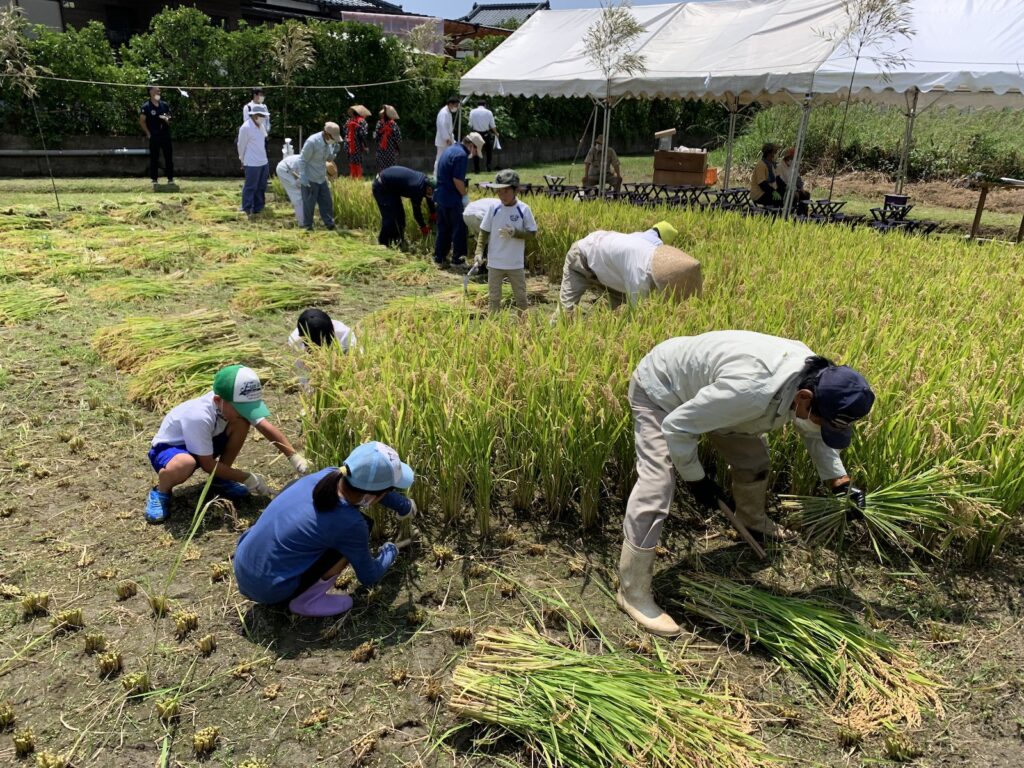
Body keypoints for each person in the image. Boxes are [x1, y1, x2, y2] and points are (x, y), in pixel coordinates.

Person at [617, 332, 875, 636]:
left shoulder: (818, 380)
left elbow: (816, 430)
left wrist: (840, 484)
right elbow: (677, 426)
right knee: (657, 485)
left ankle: (751, 522)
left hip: (716, 399)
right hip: (662, 392)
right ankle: (632, 592)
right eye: (821, 420)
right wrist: (696, 479)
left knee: (753, 459)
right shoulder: (751, 391)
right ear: (804, 399)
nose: (819, 427)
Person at [232, 442, 415, 618]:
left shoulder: (327, 476)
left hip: (243, 565)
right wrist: (391, 550)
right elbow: (369, 576)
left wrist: (403, 505)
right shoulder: (351, 523)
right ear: (375, 495)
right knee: (358, 530)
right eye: (390, 490)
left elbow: (370, 490)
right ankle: (308, 599)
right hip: (268, 590)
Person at [145, 365, 310, 524]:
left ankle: (220, 480)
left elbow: (265, 427)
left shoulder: (233, 404)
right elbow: (207, 465)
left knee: (242, 422)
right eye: (242, 408)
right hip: (171, 450)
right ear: (218, 400)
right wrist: (246, 478)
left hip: (205, 444)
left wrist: (294, 457)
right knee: (185, 463)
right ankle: (161, 492)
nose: (246, 412)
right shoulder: (198, 416)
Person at [557, 227, 701, 315]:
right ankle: (551, 338)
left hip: (609, 269)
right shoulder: (639, 276)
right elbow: (636, 313)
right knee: (565, 310)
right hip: (582, 259)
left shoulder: (648, 247)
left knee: (618, 313)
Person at [474, 170, 537, 313]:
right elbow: (484, 232)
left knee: (520, 297)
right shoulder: (494, 208)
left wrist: (516, 233)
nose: (502, 195)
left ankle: (524, 325)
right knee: (494, 298)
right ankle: (493, 325)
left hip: (515, 263)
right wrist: (478, 252)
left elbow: (532, 233)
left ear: (516, 190)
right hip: (495, 262)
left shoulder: (523, 209)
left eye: (506, 191)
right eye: (499, 192)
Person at [433, 132, 484, 267]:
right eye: (475, 150)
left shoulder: (450, 149)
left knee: (443, 228)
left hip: (441, 195)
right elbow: (457, 180)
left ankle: (439, 257)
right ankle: (458, 259)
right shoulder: (461, 155)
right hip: (452, 197)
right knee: (459, 228)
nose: (473, 154)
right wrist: (464, 196)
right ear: (472, 146)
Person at [287, 308, 356, 391]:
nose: (320, 351)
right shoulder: (295, 342)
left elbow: (356, 363)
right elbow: (303, 375)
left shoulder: (345, 335)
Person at [371, 165, 436, 248]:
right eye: (432, 192)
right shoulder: (417, 188)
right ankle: (383, 244)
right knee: (390, 218)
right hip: (382, 186)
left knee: (400, 217)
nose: (433, 195)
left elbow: (429, 198)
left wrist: (433, 212)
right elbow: (417, 212)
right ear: (429, 188)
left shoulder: (426, 181)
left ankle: (398, 241)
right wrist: (423, 227)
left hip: (392, 188)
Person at [300, 122, 341, 231]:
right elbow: (302, 160)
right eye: (333, 138)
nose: (334, 140)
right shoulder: (312, 142)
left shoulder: (328, 143)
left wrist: (334, 153)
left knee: (326, 201)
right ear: (326, 134)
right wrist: (303, 175)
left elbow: (328, 158)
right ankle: (308, 226)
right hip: (310, 178)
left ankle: (329, 224)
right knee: (309, 204)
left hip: (321, 177)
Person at [276, 155, 337, 226]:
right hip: (285, 169)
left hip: (293, 169)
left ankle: (306, 220)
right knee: (298, 196)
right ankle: (303, 223)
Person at [237, 104, 270, 216]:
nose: (263, 118)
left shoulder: (261, 126)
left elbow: (263, 141)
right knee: (251, 186)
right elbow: (241, 145)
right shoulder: (245, 127)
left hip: (263, 161)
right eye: (261, 115)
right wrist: (242, 159)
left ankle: (258, 207)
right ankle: (246, 208)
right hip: (251, 162)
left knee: (261, 186)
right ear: (255, 115)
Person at [140, 86, 173, 188]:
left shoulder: (164, 105)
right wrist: (148, 133)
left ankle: (170, 179)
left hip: (165, 135)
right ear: (151, 92)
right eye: (157, 90)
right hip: (154, 136)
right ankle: (154, 179)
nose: (159, 91)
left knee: (168, 157)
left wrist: (166, 119)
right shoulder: (146, 106)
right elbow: (142, 121)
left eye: (159, 90)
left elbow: (169, 119)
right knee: (154, 157)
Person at [463, 197, 494, 277]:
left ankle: (481, 266)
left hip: (466, 215)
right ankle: (487, 267)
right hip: (480, 216)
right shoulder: (507, 206)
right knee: (491, 241)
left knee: (481, 240)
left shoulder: (497, 201)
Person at [776, 147, 810, 215]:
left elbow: (797, 178)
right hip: (783, 189)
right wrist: (793, 190)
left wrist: (801, 188)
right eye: (791, 158)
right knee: (793, 196)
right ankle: (789, 213)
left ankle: (801, 214)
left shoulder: (793, 166)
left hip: (793, 189)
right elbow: (780, 182)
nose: (792, 160)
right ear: (787, 158)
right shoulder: (779, 167)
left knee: (806, 194)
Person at [468, 99, 498, 174]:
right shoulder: (489, 112)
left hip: (476, 133)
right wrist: (496, 133)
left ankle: (477, 169)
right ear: (485, 105)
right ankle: (488, 166)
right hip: (486, 134)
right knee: (489, 151)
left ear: (477, 105)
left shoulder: (472, 111)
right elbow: (492, 125)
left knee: (476, 151)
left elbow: (470, 124)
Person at [750, 142, 783, 208]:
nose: (775, 155)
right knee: (779, 199)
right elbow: (762, 183)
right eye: (774, 152)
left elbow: (776, 179)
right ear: (768, 153)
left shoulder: (771, 164)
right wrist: (773, 192)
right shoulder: (761, 165)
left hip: (768, 190)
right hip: (759, 194)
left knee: (786, 195)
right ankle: (774, 215)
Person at [434, 96, 460, 175]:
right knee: (440, 158)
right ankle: (436, 174)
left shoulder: (448, 112)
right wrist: (447, 139)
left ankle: (443, 174)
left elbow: (449, 128)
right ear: (450, 104)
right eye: (455, 106)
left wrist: (452, 140)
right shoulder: (444, 113)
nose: (456, 108)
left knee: (445, 159)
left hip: (447, 140)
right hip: (443, 141)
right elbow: (442, 127)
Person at [343, 105, 371, 179]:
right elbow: (362, 135)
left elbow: (345, 131)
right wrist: (365, 146)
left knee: (351, 161)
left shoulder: (349, 121)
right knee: (358, 161)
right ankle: (358, 178)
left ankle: (353, 177)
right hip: (356, 145)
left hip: (348, 144)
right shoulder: (362, 121)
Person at [374, 105, 401, 171]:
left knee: (382, 167)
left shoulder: (379, 124)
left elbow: (376, 137)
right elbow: (398, 138)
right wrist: (397, 148)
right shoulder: (394, 124)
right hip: (391, 150)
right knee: (392, 167)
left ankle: (383, 179)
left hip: (381, 149)